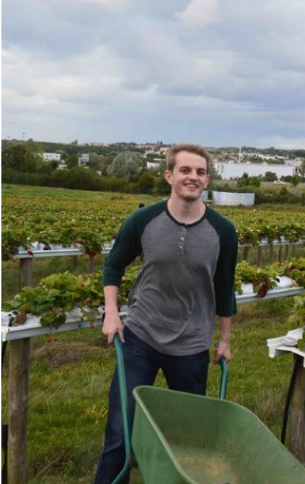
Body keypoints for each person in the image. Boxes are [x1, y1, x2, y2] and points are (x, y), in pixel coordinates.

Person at [94, 143, 238, 484]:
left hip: (191, 345)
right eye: (186, 170)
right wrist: (112, 313)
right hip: (140, 337)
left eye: (200, 172)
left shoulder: (223, 231)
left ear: (206, 180)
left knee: (186, 437)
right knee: (121, 430)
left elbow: (224, 289)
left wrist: (226, 339)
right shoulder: (143, 220)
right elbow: (113, 266)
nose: (193, 177)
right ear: (169, 175)